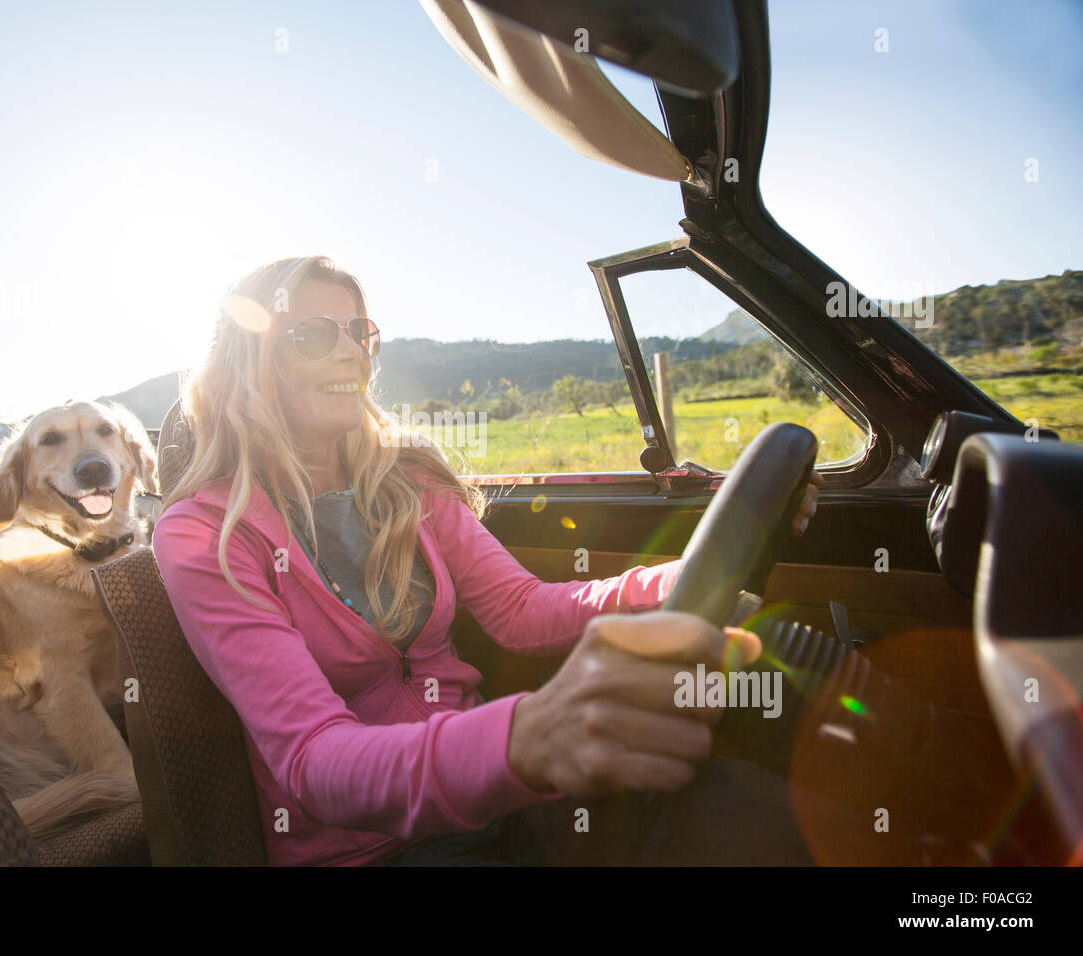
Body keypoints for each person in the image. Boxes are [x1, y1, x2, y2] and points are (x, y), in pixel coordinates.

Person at [151, 255, 820, 866]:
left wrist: (688, 576)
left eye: (359, 331)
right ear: (248, 361)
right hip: (377, 850)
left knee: (751, 806)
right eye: (314, 335)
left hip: (502, 800)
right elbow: (313, 757)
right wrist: (522, 739)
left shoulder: (406, 480)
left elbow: (524, 611)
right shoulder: (205, 535)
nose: (352, 352)